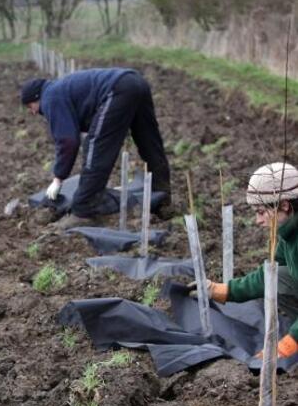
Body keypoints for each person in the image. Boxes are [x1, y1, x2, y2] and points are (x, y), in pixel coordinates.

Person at [20, 68, 171, 230]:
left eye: (30, 107)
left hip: (116, 90)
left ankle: (83, 212)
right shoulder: (60, 89)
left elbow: (68, 141)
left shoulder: (50, 98)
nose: (33, 112)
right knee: (149, 141)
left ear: (37, 98)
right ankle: (162, 196)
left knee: (94, 146)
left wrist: (58, 178)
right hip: (136, 81)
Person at [191, 162, 298, 358]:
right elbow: (269, 274)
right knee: (276, 278)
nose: (258, 220)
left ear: (284, 205)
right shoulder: (287, 232)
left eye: (261, 212)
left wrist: (287, 345)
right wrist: (224, 290)